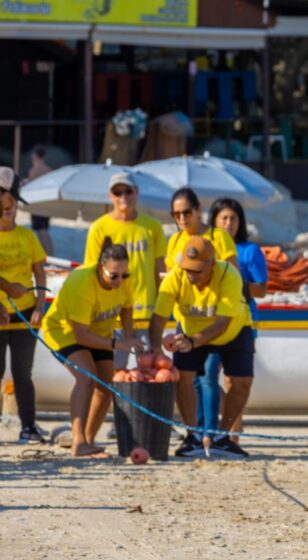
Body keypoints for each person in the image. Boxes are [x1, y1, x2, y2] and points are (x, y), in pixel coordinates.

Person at [150, 236, 255, 458]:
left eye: (197, 270)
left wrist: (192, 342)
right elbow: (158, 318)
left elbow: (222, 322)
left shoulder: (230, 275)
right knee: (182, 377)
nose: (191, 275)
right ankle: (193, 437)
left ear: (212, 264)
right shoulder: (175, 277)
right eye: (188, 269)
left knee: (242, 382)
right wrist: (155, 350)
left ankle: (223, 438)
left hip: (233, 329)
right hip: (190, 329)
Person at [82, 172, 165, 437]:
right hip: (111, 316)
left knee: (149, 372)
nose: (123, 197)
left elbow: (159, 272)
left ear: (136, 193)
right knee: (114, 374)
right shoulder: (99, 227)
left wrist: (163, 313)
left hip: (146, 312)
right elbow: (90, 273)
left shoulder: (152, 227)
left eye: (128, 192)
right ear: (110, 196)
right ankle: (117, 423)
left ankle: (148, 421)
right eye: (117, 193)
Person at [41, 239, 141, 457]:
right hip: (64, 331)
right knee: (86, 378)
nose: (119, 280)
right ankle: (78, 442)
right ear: (99, 268)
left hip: (99, 333)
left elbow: (126, 308)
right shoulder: (82, 282)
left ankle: (89, 441)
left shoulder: (124, 280)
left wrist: (129, 335)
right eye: (113, 275)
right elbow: (81, 336)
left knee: (106, 386)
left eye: (124, 275)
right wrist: (118, 343)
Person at [202, 198, 268, 442]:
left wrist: (234, 284)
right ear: (214, 221)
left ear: (240, 222)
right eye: (224, 218)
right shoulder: (206, 246)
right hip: (209, 320)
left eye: (233, 218)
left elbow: (262, 290)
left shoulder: (250, 251)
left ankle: (232, 433)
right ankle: (212, 426)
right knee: (206, 376)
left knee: (234, 378)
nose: (229, 223)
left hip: (242, 319)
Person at [0, 182, 48, 443]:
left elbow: (40, 272)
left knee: (22, 373)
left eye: (13, 203)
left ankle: (28, 426)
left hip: (25, 312)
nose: (9, 208)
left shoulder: (28, 236)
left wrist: (40, 306)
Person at [166, 187, 238, 271]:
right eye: (176, 214)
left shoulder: (219, 236)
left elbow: (234, 276)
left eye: (187, 212)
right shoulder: (174, 240)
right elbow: (169, 277)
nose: (182, 218)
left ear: (198, 210)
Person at [26, 145, 54, 256]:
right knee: (45, 230)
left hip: (37, 203)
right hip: (46, 202)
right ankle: (49, 254)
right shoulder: (49, 170)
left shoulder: (33, 171)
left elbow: (31, 188)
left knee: (42, 231)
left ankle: (48, 255)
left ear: (35, 155)